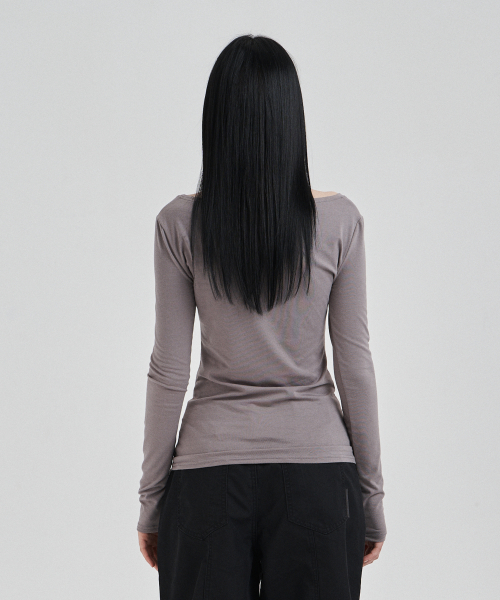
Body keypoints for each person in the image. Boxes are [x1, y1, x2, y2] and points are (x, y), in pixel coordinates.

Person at [137, 34, 387, 599]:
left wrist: (153, 503)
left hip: (206, 482)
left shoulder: (179, 224)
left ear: (216, 122)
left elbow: (168, 371)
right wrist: (371, 501)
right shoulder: (340, 221)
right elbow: (355, 367)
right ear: (291, 119)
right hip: (319, 480)